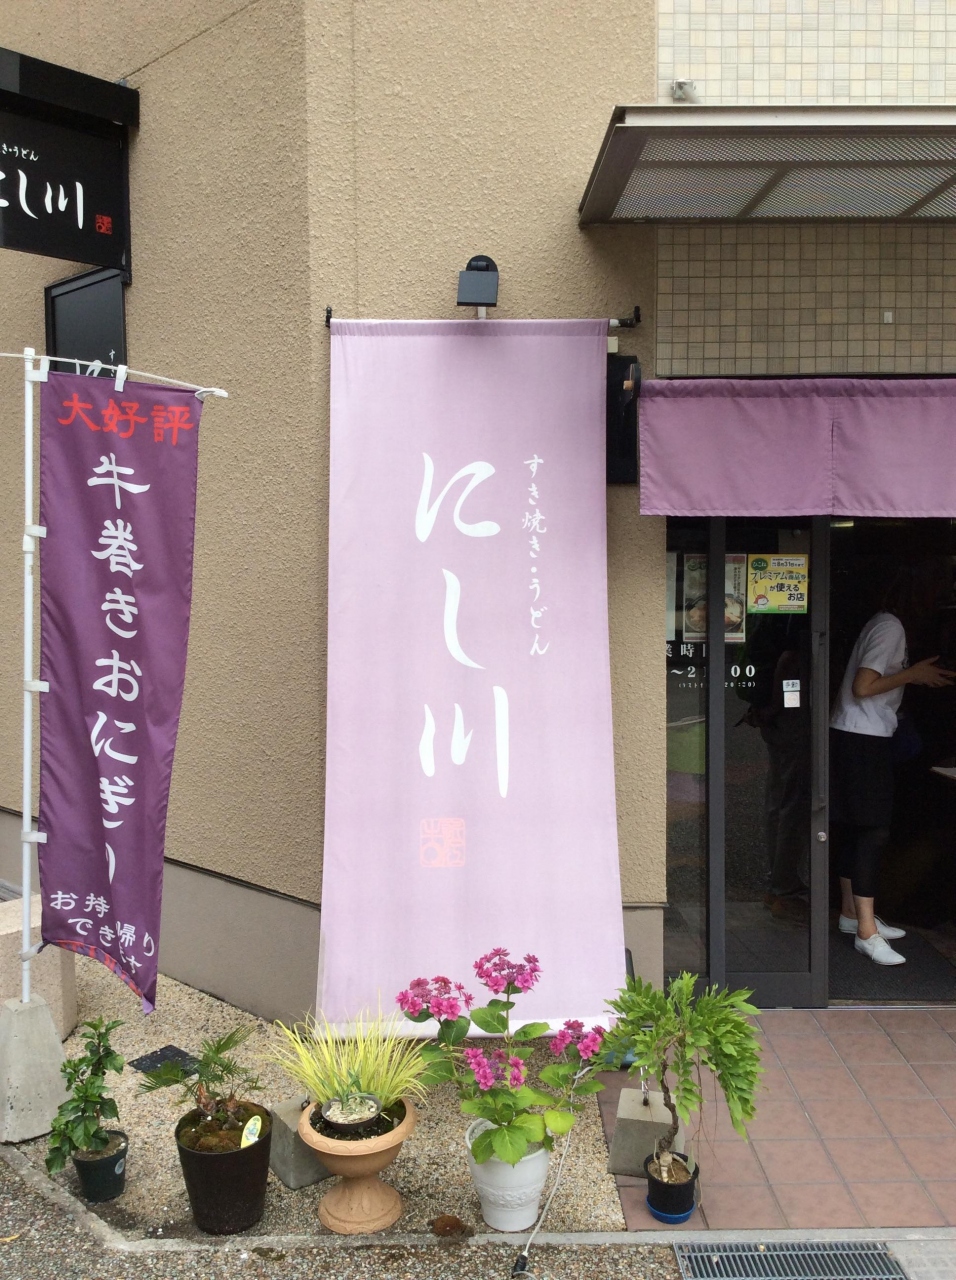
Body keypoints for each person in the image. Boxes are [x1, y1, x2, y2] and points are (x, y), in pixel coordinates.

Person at [830, 562, 955, 965]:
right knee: (873, 831)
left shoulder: (882, 622)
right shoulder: (890, 628)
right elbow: (863, 686)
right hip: (863, 738)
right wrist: (913, 674)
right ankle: (866, 932)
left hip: (855, 735)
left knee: (856, 827)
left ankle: (851, 915)